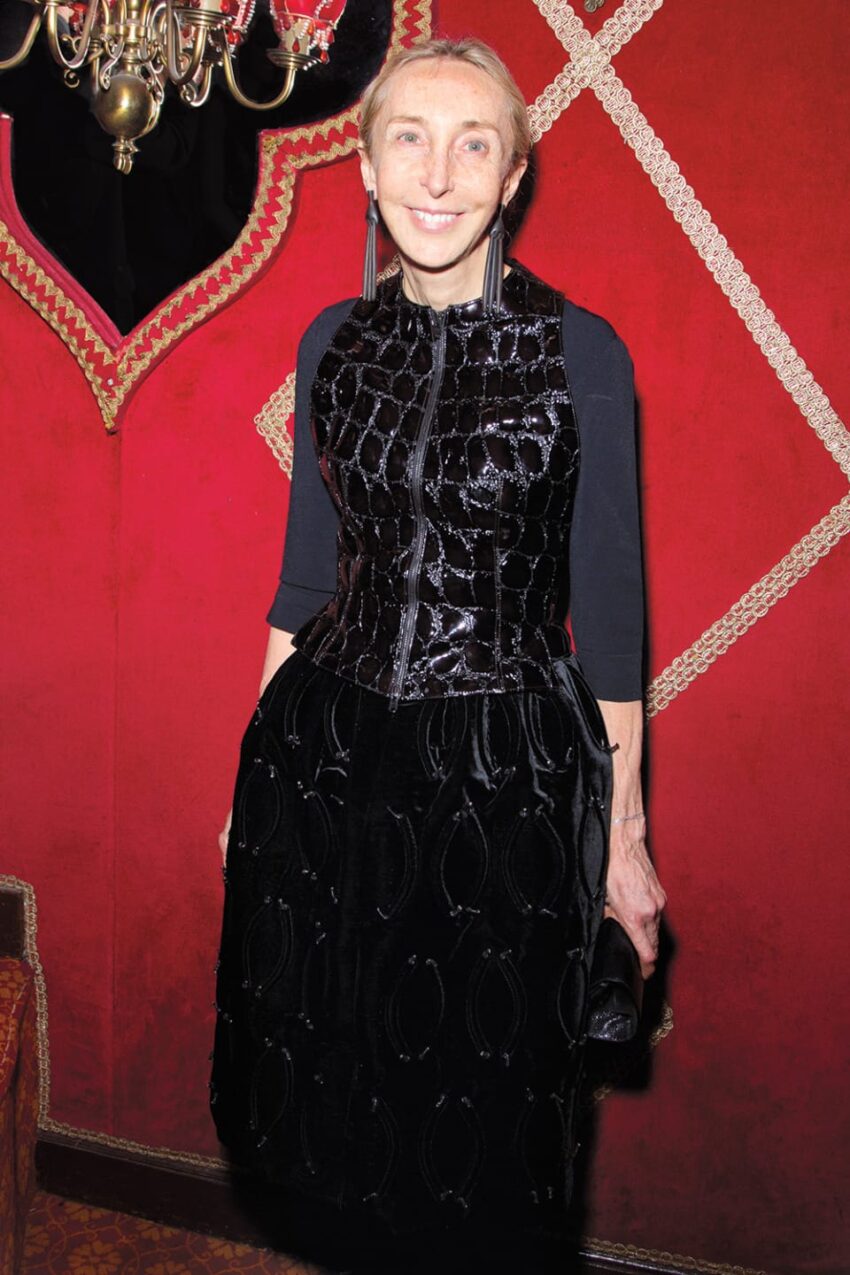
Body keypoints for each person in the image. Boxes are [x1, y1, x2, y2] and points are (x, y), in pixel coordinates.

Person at [210, 36, 666, 1275]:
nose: (438, 172)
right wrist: (246, 785)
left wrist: (619, 838)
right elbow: (307, 577)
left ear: (513, 175)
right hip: (328, 760)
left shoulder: (584, 354)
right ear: (363, 166)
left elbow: (610, 622)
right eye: (408, 136)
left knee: (483, 1116)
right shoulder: (330, 345)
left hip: (506, 777)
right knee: (334, 1089)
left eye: (475, 144)